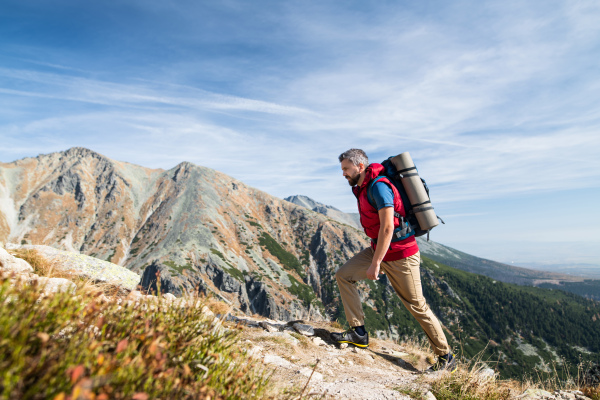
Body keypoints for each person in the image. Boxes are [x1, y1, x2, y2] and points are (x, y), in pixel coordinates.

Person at [330, 148, 456, 372]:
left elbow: (388, 227)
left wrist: (376, 263)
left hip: (401, 256)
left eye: (346, 169)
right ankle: (358, 333)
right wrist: (376, 257)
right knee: (344, 275)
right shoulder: (362, 187)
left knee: (417, 306)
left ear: (360, 167)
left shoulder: (379, 187)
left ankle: (446, 358)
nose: (343, 174)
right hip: (380, 250)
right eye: (342, 170)